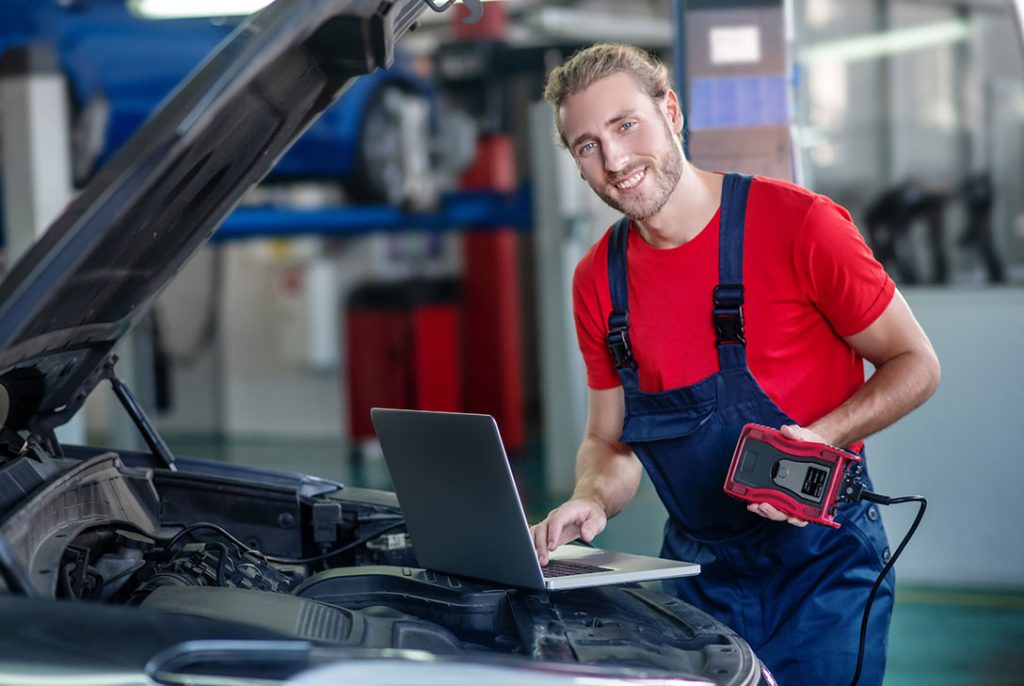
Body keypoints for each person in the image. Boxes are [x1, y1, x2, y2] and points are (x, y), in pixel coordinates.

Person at [530, 43, 940, 685]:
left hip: (824, 567)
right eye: (586, 145)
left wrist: (818, 440)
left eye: (625, 125)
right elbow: (609, 440)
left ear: (671, 110)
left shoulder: (800, 225)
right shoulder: (597, 283)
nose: (613, 160)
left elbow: (916, 363)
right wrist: (592, 498)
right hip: (696, 577)